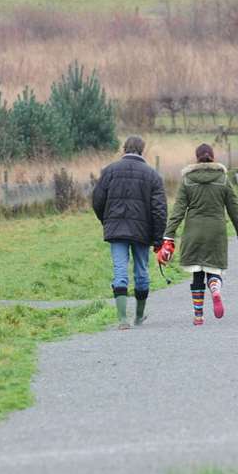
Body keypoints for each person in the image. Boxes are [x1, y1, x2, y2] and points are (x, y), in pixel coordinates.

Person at [160, 143, 238, 326]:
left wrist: (169, 235)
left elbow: (178, 211)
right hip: (216, 231)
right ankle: (215, 287)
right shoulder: (223, 179)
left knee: (197, 274)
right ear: (213, 157)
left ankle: (198, 316)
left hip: (193, 232)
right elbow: (234, 209)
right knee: (213, 269)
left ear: (196, 158)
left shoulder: (187, 180)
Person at [91, 135, 168, 329]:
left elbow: (97, 201)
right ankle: (139, 317)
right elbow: (159, 210)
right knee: (141, 271)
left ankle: (122, 319)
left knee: (120, 271)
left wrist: (107, 221)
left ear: (124, 149)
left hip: (116, 230)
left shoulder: (109, 171)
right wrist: (158, 239)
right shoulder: (152, 175)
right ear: (142, 150)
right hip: (142, 232)